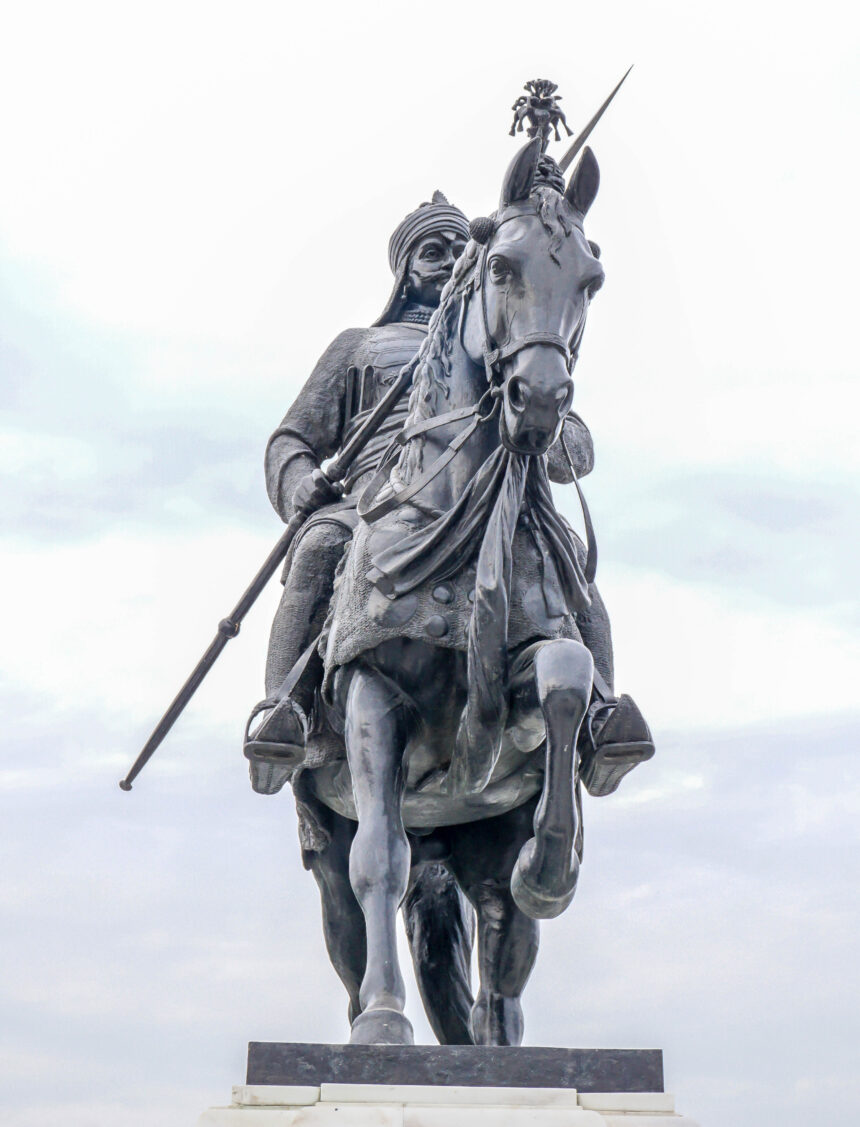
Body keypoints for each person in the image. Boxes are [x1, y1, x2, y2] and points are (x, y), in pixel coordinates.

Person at [244, 191, 643, 798]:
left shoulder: (500, 337)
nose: (449, 258)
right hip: (375, 501)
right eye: (433, 251)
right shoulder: (359, 346)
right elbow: (290, 438)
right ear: (405, 270)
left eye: (461, 249)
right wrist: (301, 483)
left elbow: (567, 434)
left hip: (487, 501)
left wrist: (555, 426)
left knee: (562, 552)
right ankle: (288, 710)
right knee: (321, 544)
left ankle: (596, 715)